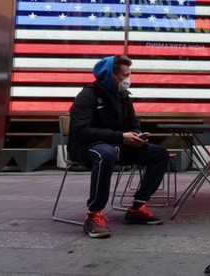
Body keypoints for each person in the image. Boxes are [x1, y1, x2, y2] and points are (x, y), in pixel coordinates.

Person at [68, 55, 170, 239]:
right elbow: (81, 131)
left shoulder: (123, 96)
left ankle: (137, 207)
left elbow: (133, 123)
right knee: (105, 154)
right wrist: (120, 136)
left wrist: (137, 134)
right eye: (124, 75)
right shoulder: (88, 95)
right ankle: (94, 214)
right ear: (110, 75)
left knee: (160, 154)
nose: (128, 79)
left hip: (118, 144)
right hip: (88, 147)